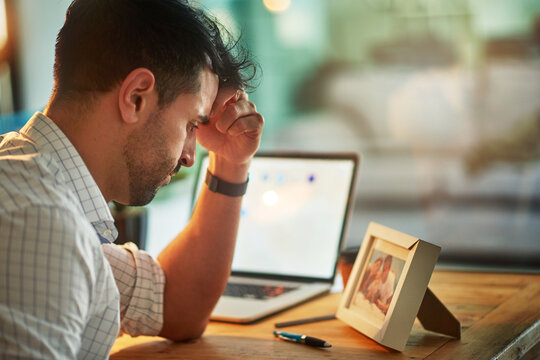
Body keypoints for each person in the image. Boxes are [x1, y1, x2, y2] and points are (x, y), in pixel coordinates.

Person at [0, 0, 264, 358]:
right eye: (191, 125)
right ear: (137, 97)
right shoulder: (41, 220)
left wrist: (231, 163)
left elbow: (174, 304)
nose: (189, 155)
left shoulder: (43, 190)